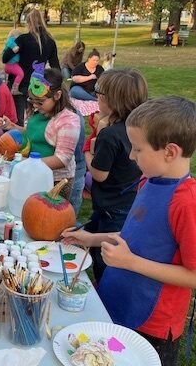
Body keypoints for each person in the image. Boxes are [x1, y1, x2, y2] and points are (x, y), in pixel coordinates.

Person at [62, 97, 196, 366]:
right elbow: (136, 236)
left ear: (169, 152)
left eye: (137, 149)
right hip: (118, 301)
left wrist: (130, 262)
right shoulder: (149, 181)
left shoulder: (186, 202)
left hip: (151, 325)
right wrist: (93, 238)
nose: (131, 156)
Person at [83, 69, 147, 282]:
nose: (97, 100)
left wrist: (86, 153)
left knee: (105, 258)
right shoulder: (139, 128)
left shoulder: (110, 135)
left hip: (110, 208)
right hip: (129, 203)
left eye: (99, 96)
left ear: (112, 101)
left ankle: (103, 291)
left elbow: (99, 174)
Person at [2, 67, 80, 199]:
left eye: (40, 102)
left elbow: (62, 159)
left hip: (54, 181)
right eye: (32, 101)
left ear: (57, 95)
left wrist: (27, 163)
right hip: (33, 173)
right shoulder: (38, 111)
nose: (35, 105)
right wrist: (13, 126)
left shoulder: (68, 121)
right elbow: (33, 134)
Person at [2, 9, 60, 126]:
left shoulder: (23, 39)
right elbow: (55, 67)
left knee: (17, 118)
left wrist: (12, 47)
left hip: (20, 85)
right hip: (38, 84)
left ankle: (17, 141)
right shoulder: (50, 41)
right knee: (37, 118)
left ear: (28, 23)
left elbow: (5, 58)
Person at [2, 29, 25, 95]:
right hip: (11, 65)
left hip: (9, 65)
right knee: (20, 74)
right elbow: (10, 42)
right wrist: (14, 47)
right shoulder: (12, 40)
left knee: (9, 78)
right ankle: (15, 89)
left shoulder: (13, 40)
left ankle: (7, 87)